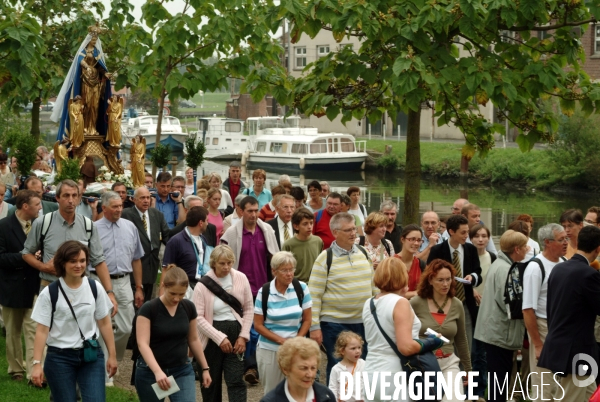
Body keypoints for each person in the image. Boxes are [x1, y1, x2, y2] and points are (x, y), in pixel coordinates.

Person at [30, 241, 117, 401]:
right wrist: (36, 364)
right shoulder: (50, 293)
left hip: (91, 355)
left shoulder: (95, 287)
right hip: (59, 358)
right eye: (73, 261)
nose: (79, 265)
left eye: (82, 261)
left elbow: (104, 323)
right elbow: (42, 331)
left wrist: (112, 355)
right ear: (62, 263)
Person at [22, 180, 117, 310]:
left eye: (74, 196)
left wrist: (109, 292)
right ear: (57, 198)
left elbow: (99, 260)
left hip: (81, 291)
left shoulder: (88, 226)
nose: (71, 200)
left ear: (79, 198)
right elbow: (26, 253)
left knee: (82, 329)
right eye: (66, 196)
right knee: (48, 330)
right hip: (50, 288)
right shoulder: (43, 223)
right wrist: (44, 267)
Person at [362, 258, 444, 402]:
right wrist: (433, 342)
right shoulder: (400, 303)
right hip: (395, 375)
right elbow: (406, 347)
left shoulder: (369, 303)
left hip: (371, 373)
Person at [308, 212, 375, 383]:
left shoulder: (363, 253)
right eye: (348, 230)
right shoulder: (325, 258)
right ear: (335, 233)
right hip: (334, 324)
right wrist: (314, 327)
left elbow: (373, 287)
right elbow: (314, 295)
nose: (353, 233)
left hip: (363, 322)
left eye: (354, 228)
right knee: (339, 367)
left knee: (362, 367)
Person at [220, 196, 279, 384]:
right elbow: (222, 260)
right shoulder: (231, 234)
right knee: (249, 328)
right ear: (241, 211)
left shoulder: (266, 230)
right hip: (241, 289)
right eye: (250, 211)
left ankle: (253, 365)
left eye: (256, 211)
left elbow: (274, 258)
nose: (254, 215)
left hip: (263, 288)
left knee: (260, 327)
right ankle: (250, 366)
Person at [538, 226, 600, 402]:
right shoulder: (588, 274)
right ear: (598, 249)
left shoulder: (559, 268)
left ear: (578, 243)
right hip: (576, 352)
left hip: (558, 344)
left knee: (592, 396)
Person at [135, 264, 211, 401]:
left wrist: (205, 368)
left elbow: (193, 339)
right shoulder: (149, 309)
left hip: (181, 369)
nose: (176, 298)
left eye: (181, 294)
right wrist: (158, 372)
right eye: (173, 294)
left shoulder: (188, 307)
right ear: (163, 286)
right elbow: (142, 344)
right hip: (150, 371)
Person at [94, 191, 145, 386]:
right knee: (102, 324)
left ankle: (113, 358)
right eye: (114, 206)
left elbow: (137, 258)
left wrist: (138, 287)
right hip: (98, 280)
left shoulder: (130, 227)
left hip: (124, 281)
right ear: (104, 208)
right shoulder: (94, 228)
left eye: (120, 206)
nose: (118, 210)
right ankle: (105, 371)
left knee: (125, 327)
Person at [193, 245, 253, 402]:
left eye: (229, 262)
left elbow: (248, 309)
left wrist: (243, 336)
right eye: (222, 263)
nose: (226, 267)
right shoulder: (202, 285)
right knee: (211, 383)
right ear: (213, 263)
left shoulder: (241, 278)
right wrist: (219, 337)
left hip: (236, 336)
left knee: (236, 381)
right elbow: (197, 317)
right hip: (211, 338)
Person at [474, 230, 528, 402]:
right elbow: (510, 306)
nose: (528, 249)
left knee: (498, 382)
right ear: (517, 249)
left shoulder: (499, 264)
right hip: (500, 333)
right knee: (499, 384)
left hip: (493, 331)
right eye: (525, 246)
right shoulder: (507, 270)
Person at [410, 259, 472, 401]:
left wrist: (468, 369)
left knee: (454, 398)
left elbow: (461, 339)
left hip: (449, 362)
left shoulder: (457, 304)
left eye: (448, 279)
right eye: (440, 280)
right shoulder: (416, 302)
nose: (445, 284)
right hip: (424, 363)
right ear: (430, 280)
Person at [254, 251, 312, 394]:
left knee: (297, 391)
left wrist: (297, 340)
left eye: (291, 269)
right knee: (272, 392)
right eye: (285, 270)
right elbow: (258, 325)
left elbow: (307, 320)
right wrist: (281, 341)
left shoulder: (302, 288)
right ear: (274, 271)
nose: (289, 274)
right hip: (269, 350)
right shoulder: (265, 291)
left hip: (296, 349)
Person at [522, 223, 567, 401]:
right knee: (543, 385)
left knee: (560, 385)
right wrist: (538, 344)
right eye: (561, 239)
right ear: (547, 242)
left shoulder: (564, 263)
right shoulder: (535, 268)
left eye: (566, 239)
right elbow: (527, 309)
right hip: (543, 327)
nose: (566, 243)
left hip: (560, 329)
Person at [0, 190, 42, 383]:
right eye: (37, 204)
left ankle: (34, 371)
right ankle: (15, 368)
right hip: (11, 286)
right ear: (25, 207)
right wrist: (26, 257)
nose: (40, 208)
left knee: (33, 329)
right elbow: (1, 258)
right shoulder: (4, 226)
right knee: (13, 330)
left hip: (34, 286)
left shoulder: (40, 225)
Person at [121, 187, 171, 302]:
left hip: (152, 266)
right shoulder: (126, 215)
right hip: (134, 267)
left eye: (148, 198)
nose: (146, 201)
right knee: (135, 303)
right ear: (134, 199)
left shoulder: (157, 214)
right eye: (142, 198)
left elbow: (167, 235)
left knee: (148, 302)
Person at [260, 337, 336, 402]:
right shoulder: (270, 400)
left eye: (313, 368)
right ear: (286, 369)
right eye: (303, 368)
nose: (310, 374)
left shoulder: (327, 396)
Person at [162, 206, 211, 292]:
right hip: (183, 288)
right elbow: (166, 269)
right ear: (201, 223)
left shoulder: (204, 240)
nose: (208, 223)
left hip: (202, 286)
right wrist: (162, 295)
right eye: (207, 220)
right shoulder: (176, 241)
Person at [282, 207, 324, 282]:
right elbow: (284, 268)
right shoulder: (288, 245)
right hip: (296, 283)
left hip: (315, 282)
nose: (309, 227)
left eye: (311, 223)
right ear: (296, 226)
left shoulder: (318, 241)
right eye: (305, 224)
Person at [328, 331, 366, 402]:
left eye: (359, 347)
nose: (358, 351)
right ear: (342, 351)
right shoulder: (336, 369)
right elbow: (333, 389)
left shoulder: (363, 364)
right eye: (353, 348)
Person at [394, 224, 425, 299]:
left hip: (416, 308)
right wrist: (415, 293)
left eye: (419, 240)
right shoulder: (391, 263)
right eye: (412, 239)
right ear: (402, 240)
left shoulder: (421, 264)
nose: (416, 243)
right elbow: (389, 294)